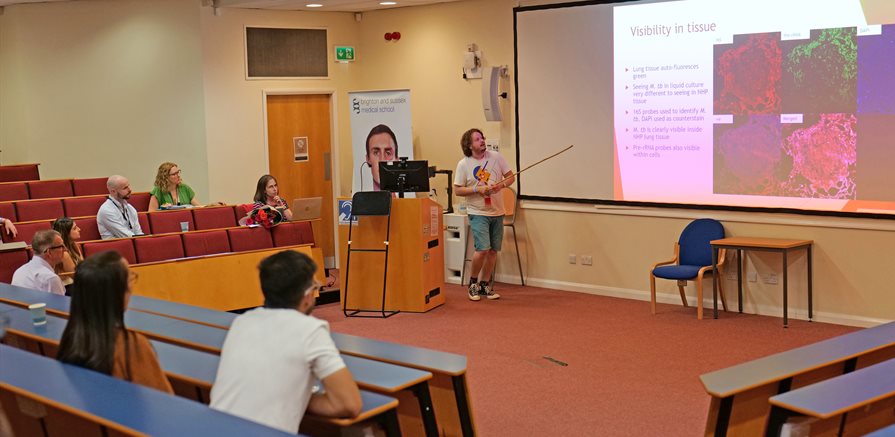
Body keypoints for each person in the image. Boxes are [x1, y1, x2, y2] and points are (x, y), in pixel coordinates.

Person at [210, 250, 361, 433]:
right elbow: (348, 404)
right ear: (307, 295)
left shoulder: (242, 322)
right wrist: (300, 397)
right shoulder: (310, 330)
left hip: (215, 429)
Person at [57, 251, 174, 394]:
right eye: (129, 279)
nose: (131, 286)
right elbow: (162, 400)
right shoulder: (132, 346)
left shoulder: (70, 339)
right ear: (115, 293)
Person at [453, 128, 515, 301]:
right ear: (469, 144)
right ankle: (472, 283)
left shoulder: (496, 157)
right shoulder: (463, 164)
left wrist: (500, 186)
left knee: (494, 250)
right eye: (477, 139)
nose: (482, 141)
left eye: (482, 138)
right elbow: (457, 190)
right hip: (478, 211)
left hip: (497, 211)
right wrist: (477, 189)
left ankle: (484, 285)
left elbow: (510, 177)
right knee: (482, 249)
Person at [148, 162, 223, 212]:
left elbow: (199, 207)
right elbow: (151, 213)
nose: (178, 175)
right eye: (174, 174)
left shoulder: (184, 188)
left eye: (178, 172)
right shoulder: (158, 190)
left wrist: (210, 205)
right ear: (165, 177)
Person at [10, 230, 66, 295]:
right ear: (49, 252)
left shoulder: (19, 271)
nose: (65, 249)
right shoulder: (50, 278)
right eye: (61, 246)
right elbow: (59, 304)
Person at [97, 175, 144, 239]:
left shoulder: (130, 208)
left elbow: (138, 232)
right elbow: (125, 236)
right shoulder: (106, 210)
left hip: (131, 243)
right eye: (125, 188)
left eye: (129, 186)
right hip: (115, 246)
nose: (130, 190)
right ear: (113, 192)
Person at [51, 217, 83, 290]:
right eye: (75, 228)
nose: (79, 229)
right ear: (66, 233)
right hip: (66, 288)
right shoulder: (63, 253)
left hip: (76, 284)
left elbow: (83, 267)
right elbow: (77, 276)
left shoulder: (75, 245)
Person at [365, 124, 398, 191]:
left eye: (388, 153)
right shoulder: (360, 200)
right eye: (376, 153)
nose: (382, 159)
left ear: (397, 159)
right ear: (368, 159)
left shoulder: (407, 199)